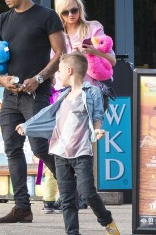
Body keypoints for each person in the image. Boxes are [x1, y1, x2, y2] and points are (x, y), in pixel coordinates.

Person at [0, 0, 66, 223]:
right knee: (12, 150)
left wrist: (39, 78)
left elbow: (60, 54)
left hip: (37, 94)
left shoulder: (46, 16)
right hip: (10, 95)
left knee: (39, 147)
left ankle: (73, 187)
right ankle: (22, 208)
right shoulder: (3, 20)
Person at [16, 52, 120, 235]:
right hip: (60, 153)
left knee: (87, 192)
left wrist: (97, 130)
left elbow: (97, 115)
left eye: (60, 71)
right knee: (67, 198)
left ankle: (107, 221)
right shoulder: (62, 97)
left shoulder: (90, 92)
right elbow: (46, 117)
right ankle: (72, 233)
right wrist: (28, 126)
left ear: (70, 71)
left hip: (81, 153)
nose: (57, 75)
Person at [42, 0, 117, 214]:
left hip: (90, 93)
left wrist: (94, 51)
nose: (71, 15)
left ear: (80, 8)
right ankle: (69, 194)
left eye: (74, 9)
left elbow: (112, 59)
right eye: (65, 12)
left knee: (84, 143)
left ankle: (83, 194)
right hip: (63, 94)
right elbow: (52, 64)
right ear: (59, 13)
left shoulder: (93, 28)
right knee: (64, 143)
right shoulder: (56, 33)